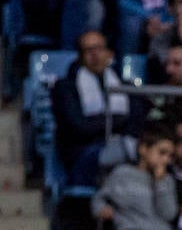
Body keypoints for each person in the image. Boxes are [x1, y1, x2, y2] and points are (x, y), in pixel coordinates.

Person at [53, 30, 144, 186]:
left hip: (123, 146)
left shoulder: (126, 86)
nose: (95, 54)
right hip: (84, 152)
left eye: (99, 48)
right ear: (80, 57)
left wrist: (102, 122)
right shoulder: (66, 88)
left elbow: (137, 122)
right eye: (88, 50)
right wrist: (118, 120)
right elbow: (77, 127)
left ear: (109, 53)